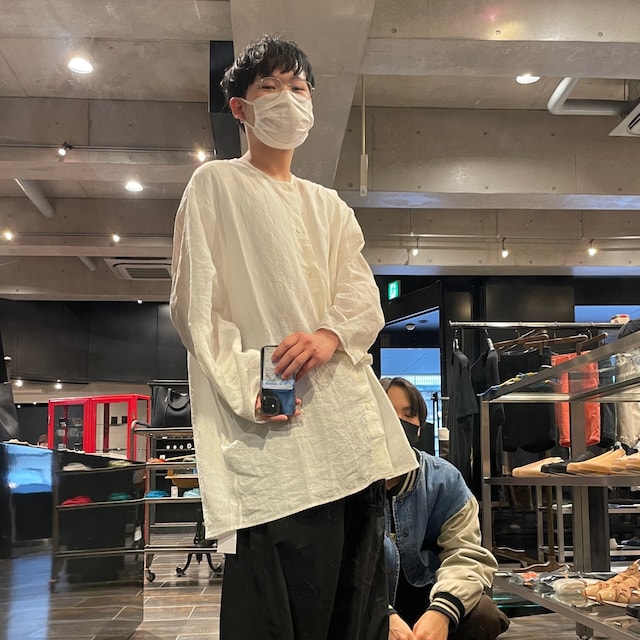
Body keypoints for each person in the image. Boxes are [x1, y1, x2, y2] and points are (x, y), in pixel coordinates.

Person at [169, 34, 417, 640]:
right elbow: (198, 308)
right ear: (240, 108)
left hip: (349, 441)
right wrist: (250, 386)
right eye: (270, 87)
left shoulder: (330, 206)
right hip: (273, 443)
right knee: (275, 612)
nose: (287, 98)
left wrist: (331, 334)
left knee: (354, 612)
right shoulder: (216, 185)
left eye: (298, 87)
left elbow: (361, 297)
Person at [380, 377, 510, 640]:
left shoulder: (444, 480)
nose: (398, 423)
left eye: (408, 415)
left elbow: (465, 552)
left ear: (419, 427)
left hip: (430, 598)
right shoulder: (350, 486)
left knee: (484, 614)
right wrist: (381, 614)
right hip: (370, 602)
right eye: (388, 413)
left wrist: (443, 610)